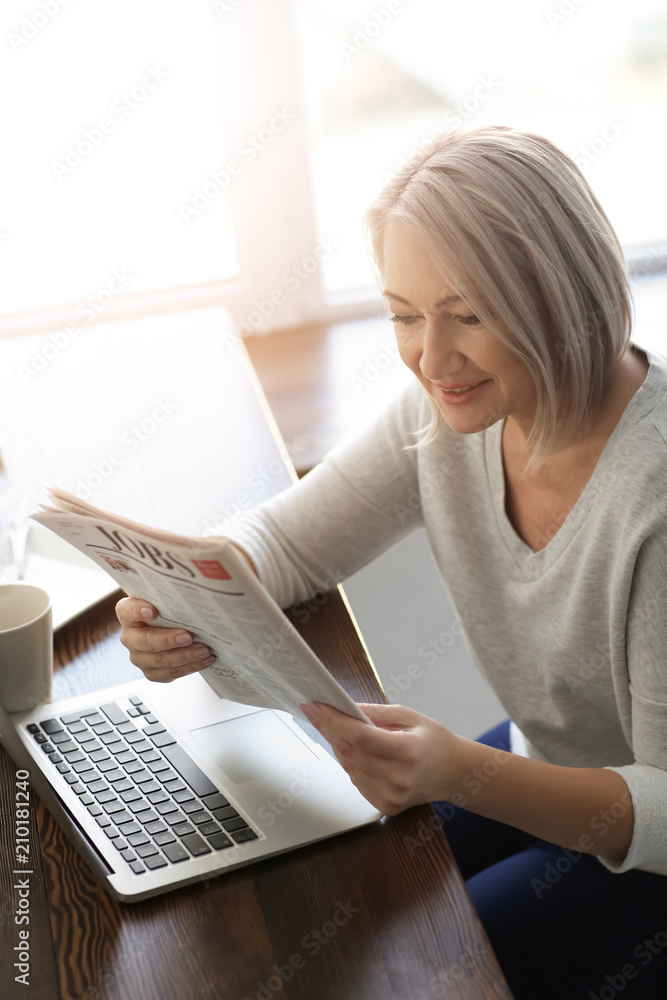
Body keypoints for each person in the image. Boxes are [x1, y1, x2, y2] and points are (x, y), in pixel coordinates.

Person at [116, 126, 667, 999]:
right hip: (548, 763)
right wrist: (182, 595)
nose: (429, 359)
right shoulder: (441, 417)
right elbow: (287, 543)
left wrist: (460, 773)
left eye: (468, 315)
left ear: (560, 294)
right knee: (319, 896)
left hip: (652, 859)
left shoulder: (653, 502)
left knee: (421, 971)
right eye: (403, 315)